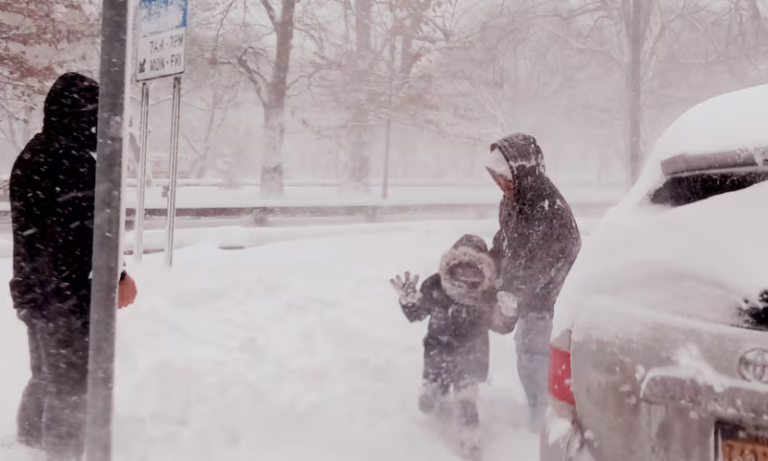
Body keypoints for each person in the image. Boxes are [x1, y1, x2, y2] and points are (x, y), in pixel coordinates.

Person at [9, 72, 138, 461]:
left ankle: (29, 445)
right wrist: (118, 277)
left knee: (47, 374)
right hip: (66, 295)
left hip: (35, 289)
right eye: (97, 115)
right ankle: (61, 455)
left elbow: (51, 231)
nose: (101, 124)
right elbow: (85, 235)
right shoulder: (72, 161)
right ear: (82, 115)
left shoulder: (35, 151)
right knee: (72, 386)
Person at [391, 235, 518, 461]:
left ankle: (471, 441)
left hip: (472, 355)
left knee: (466, 399)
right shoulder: (435, 286)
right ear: (450, 267)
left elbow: (499, 324)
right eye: (461, 271)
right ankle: (434, 395)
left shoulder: (486, 294)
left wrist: (508, 314)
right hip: (437, 351)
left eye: (473, 272)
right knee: (431, 398)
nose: (466, 279)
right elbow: (416, 313)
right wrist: (409, 301)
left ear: (484, 270)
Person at [484, 133, 581, 430]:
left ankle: (546, 422)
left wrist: (519, 290)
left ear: (522, 169)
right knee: (528, 356)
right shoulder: (513, 201)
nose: (501, 184)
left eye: (504, 176)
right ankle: (538, 412)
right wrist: (491, 262)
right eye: (496, 178)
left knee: (538, 356)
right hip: (526, 297)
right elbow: (507, 238)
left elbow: (558, 254)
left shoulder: (547, 207)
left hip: (549, 302)